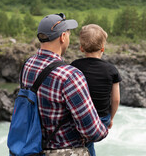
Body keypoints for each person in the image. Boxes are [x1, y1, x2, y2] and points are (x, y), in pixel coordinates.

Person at [20, 13, 108, 156]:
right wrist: (105, 127)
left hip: (33, 148)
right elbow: (92, 132)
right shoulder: (70, 76)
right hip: (66, 150)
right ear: (62, 37)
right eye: (68, 33)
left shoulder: (28, 65)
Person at [71, 24, 121, 156]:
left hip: (78, 118)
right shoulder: (111, 70)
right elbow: (115, 99)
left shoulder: (74, 66)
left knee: (84, 141)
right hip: (101, 119)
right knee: (88, 143)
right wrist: (110, 118)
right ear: (103, 49)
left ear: (81, 48)